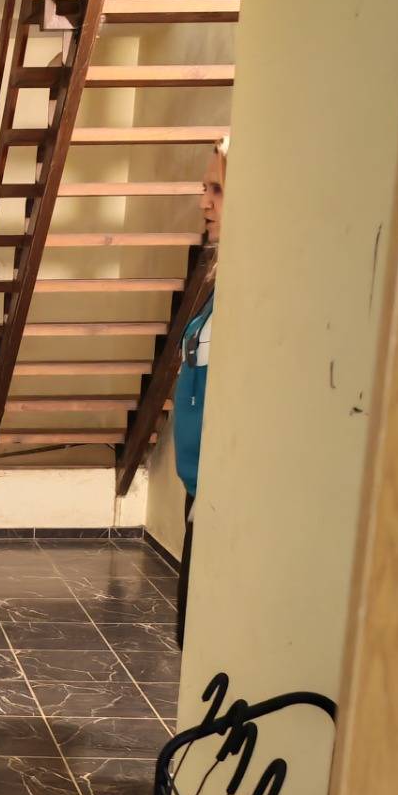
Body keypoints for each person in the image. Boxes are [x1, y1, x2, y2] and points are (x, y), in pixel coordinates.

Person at [174, 140, 227, 648]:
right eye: (204, 187)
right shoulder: (224, 279)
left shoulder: (257, 290)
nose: (203, 202)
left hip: (225, 495)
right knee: (193, 635)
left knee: (208, 639)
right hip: (201, 492)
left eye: (217, 189)